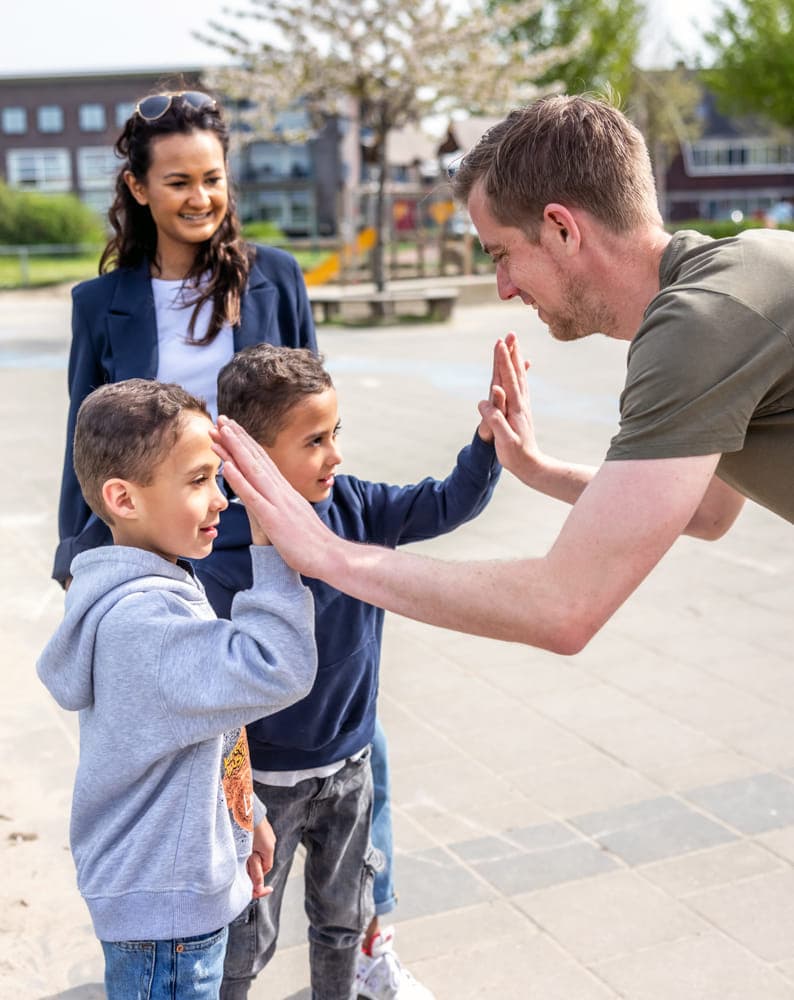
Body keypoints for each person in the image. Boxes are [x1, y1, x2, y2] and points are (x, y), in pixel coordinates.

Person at [210, 91, 794, 654]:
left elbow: (562, 607)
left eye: (501, 254)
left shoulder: (699, 324)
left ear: (563, 228)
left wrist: (328, 552)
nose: (503, 287)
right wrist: (536, 471)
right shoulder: (745, 271)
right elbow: (706, 512)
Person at [49, 85, 408, 984]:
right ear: (137, 188)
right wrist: (78, 559)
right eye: (177, 181)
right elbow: (82, 439)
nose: (199, 198)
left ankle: (370, 934)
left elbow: (311, 405)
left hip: (276, 538)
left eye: (212, 178)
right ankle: (217, 932)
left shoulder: (277, 276)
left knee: (344, 717)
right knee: (218, 743)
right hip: (171, 548)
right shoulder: (103, 303)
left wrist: (331, 525)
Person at [199, 344, 501, 999]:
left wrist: (488, 442)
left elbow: (446, 503)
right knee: (247, 941)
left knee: (342, 921)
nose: (335, 454)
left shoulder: (356, 507)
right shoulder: (215, 547)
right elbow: (210, 692)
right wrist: (241, 799)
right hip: (263, 788)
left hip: (349, 768)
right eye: (314, 440)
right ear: (247, 453)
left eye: (336, 433)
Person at [37, 379, 317, 1000]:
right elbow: (278, 664)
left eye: (217, 479)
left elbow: (205, 726)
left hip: (167, 892)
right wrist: (274, 548)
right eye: (198, 481)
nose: (220, 500)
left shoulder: (157, 583)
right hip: (165, 921)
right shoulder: (144, 624)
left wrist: (246, 817)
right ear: (123, 498)